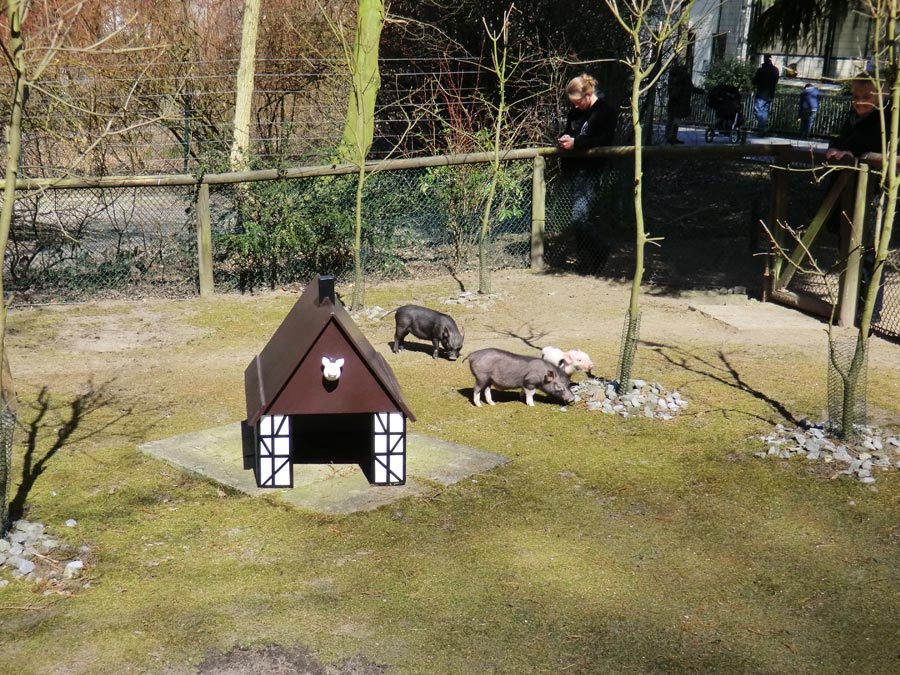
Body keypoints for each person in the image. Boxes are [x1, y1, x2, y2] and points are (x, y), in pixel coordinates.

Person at [825, 73, 892, 323]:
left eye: (866, 97)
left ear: (882, 95)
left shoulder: (885, 123)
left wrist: (851, 153)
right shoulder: (855, 120)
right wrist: (836, 149)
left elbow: (873, 152)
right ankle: (849, 305)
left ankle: (867, 312)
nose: (858, 101)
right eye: (855, 96)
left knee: (869, 253)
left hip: (873, 196)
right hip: (848, 194)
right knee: (848, 250)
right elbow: (841, 141)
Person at [557, 73, 618, 270]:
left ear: (588, 94)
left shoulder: (605, 111)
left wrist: (576, 143)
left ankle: (601, 250)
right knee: (577, 219)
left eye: (577, 101)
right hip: (574, 169)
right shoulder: (575, 112)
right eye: (572, 102)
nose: (574, 106)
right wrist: (565, 138)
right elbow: (570, 131)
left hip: (591, 170)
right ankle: (586, 261)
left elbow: (603, 141)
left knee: (579, 218)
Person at [665, 57, 703, 144]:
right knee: (677, 119)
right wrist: (701, 91)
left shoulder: (672, 74)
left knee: (670, 119)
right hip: (682, 101)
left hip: (673, 99)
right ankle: (673, 137)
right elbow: (690, 88)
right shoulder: (685, 75)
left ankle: (668, 136)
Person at [752, 54, 780, 135]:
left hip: (761, 93)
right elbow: (776, 81)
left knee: (757, 110)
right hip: (770, 94)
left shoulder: (761, 70)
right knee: (765, 111)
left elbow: (755, 81)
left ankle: (761, 128)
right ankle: (762, 129)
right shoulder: (776, 70)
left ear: (764, 59)